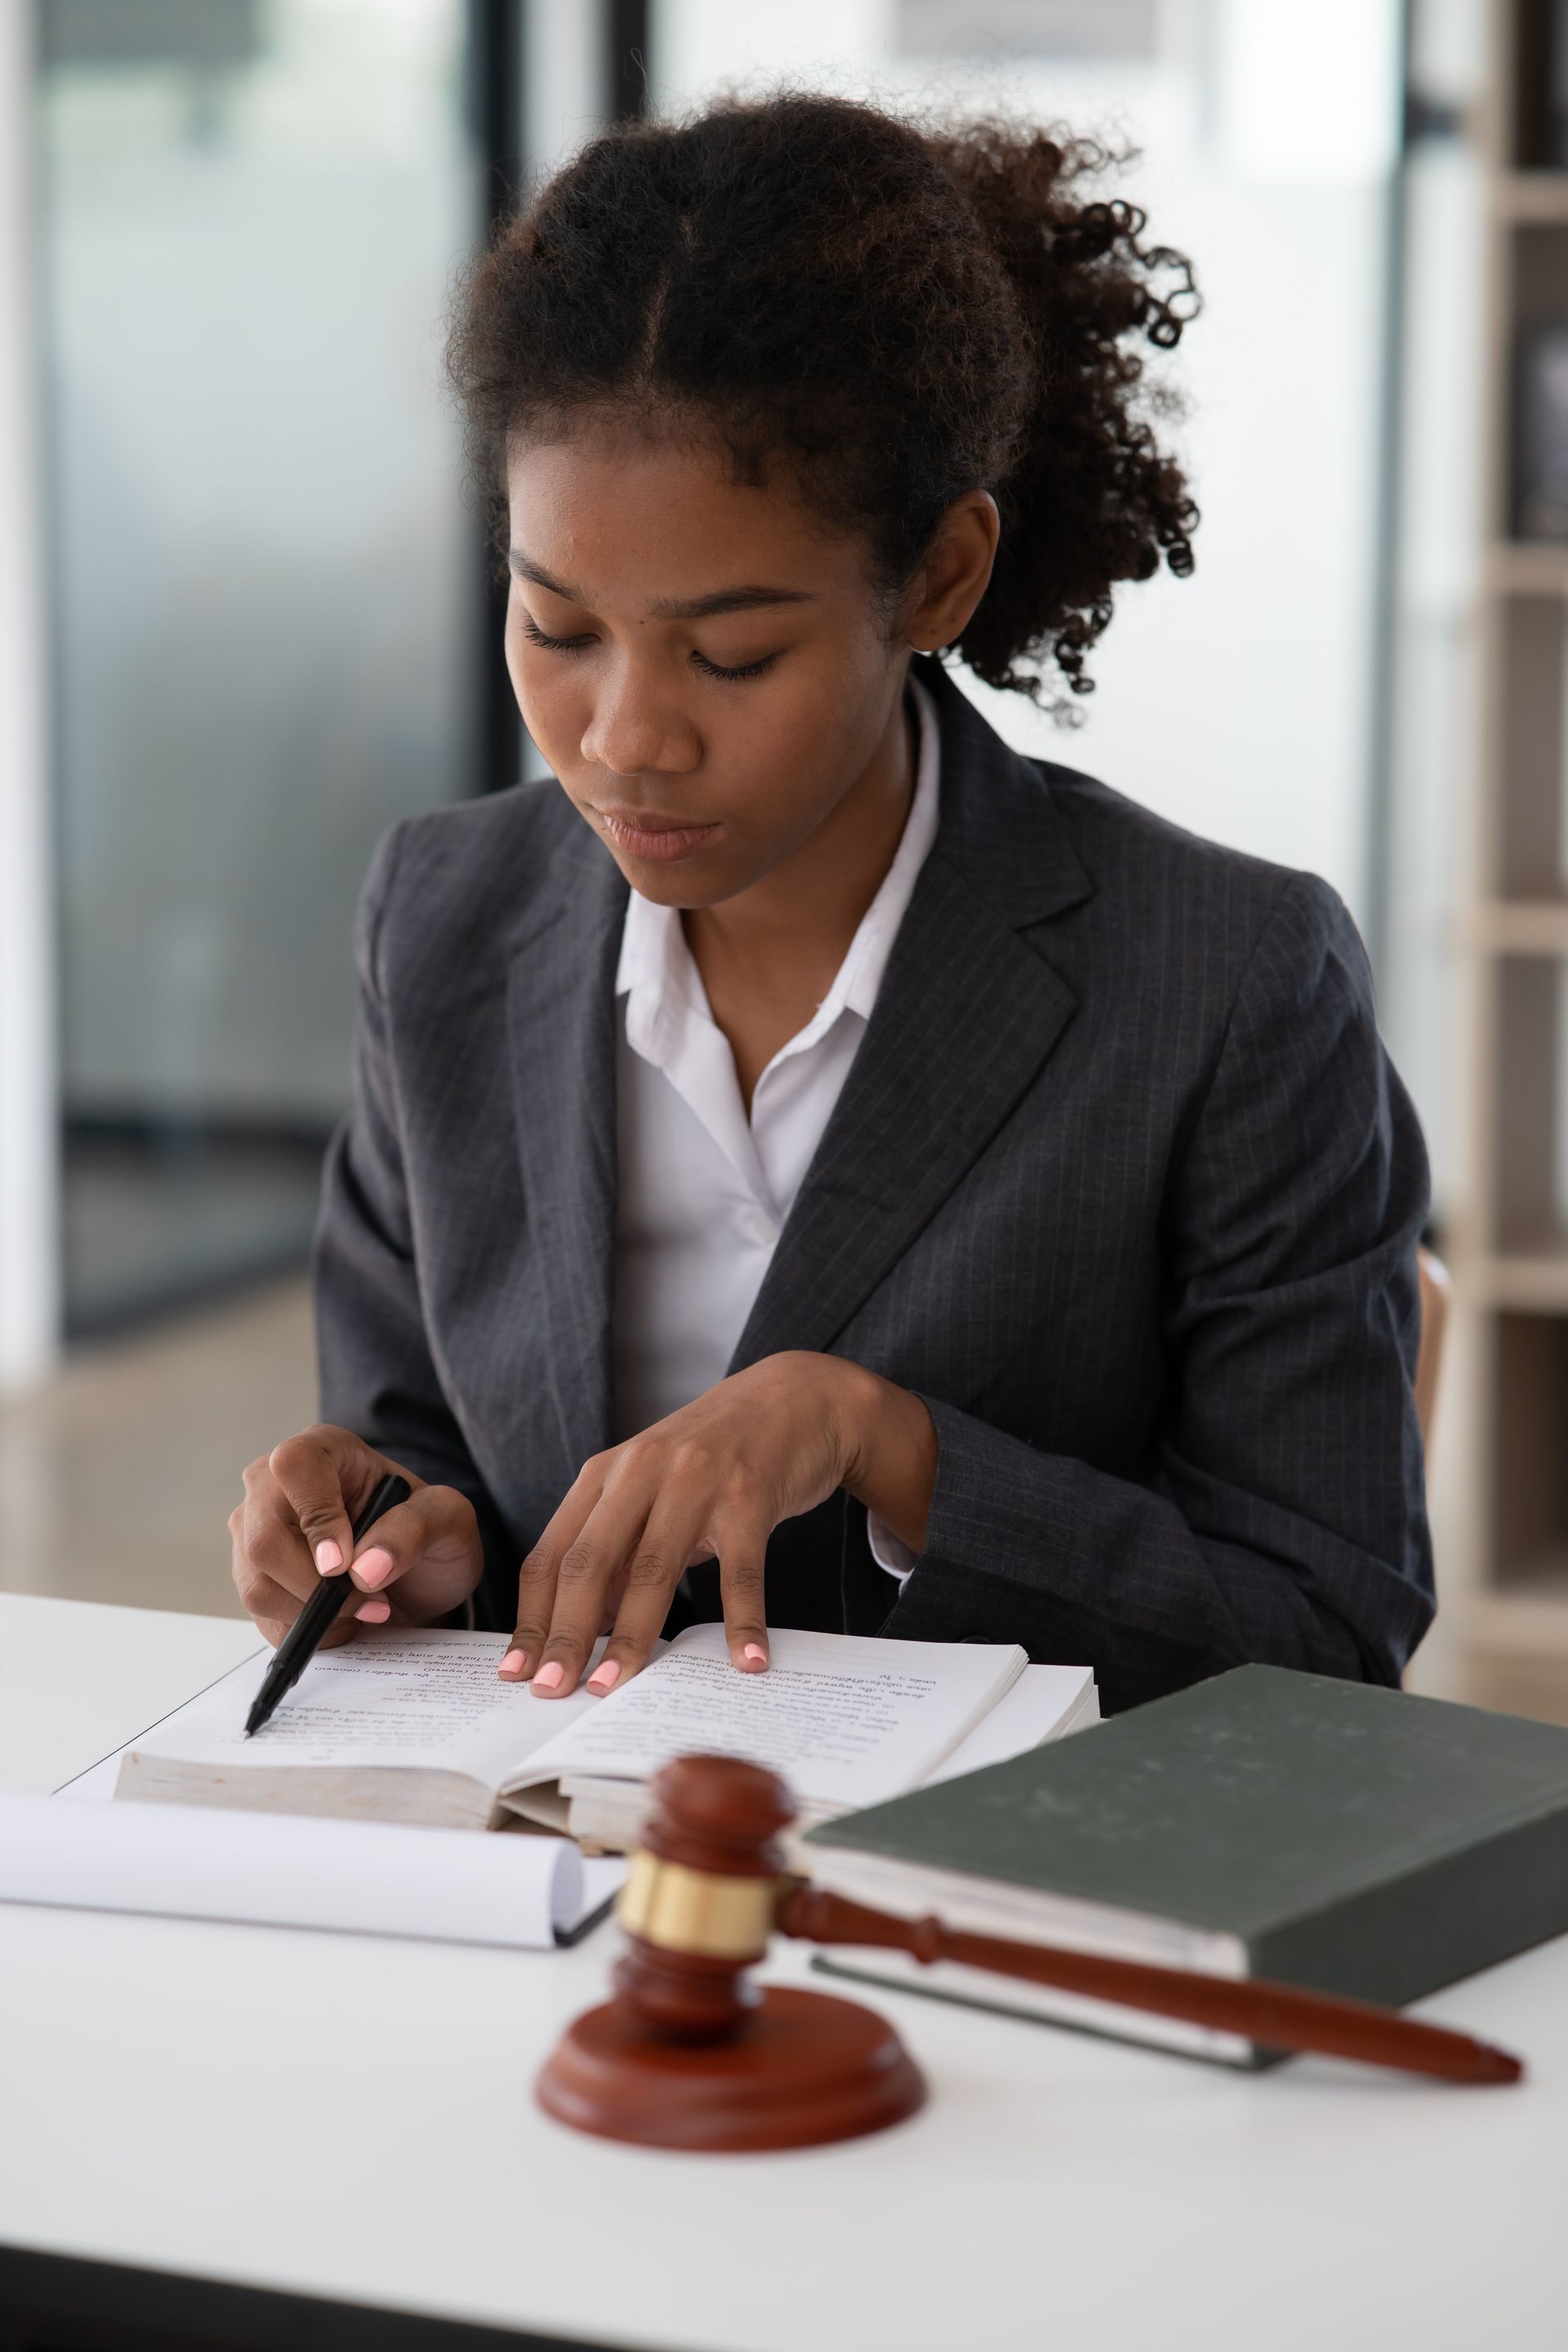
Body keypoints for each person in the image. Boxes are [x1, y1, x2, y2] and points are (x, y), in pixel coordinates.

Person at [229, 94, 1433, 1716]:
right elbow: (429, 1457)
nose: (626, 736)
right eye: (556, 625)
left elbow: (1325, 1639)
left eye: (732, 654)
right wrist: (396, 1533)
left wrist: (893, 1450)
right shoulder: (443, 918)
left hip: (994, 1905)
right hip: (553, 1884)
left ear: (937, 577)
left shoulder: (1224, 984)